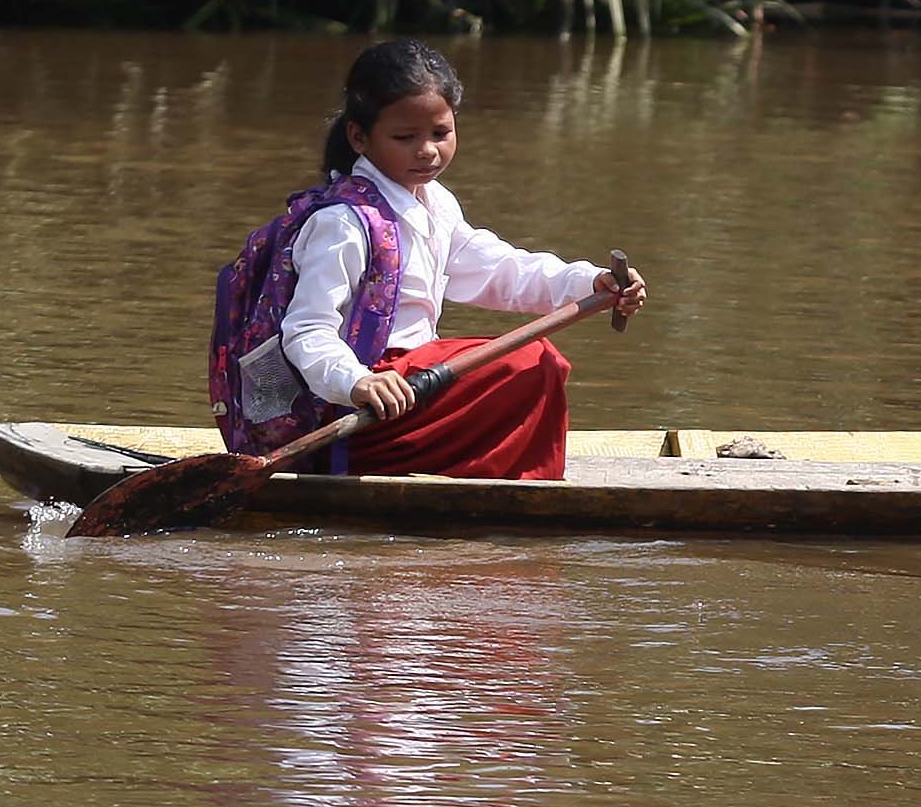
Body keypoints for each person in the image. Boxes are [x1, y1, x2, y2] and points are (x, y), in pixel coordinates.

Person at [274, 38, 645, 480]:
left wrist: (589, 283)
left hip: (411, 391)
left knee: (534, 363)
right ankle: (510, 485)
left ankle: (506, 480)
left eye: (439, 133)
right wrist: (357, 381)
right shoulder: (343, 224)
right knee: (533, 362)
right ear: (359, 137)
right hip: (361, 410)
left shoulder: (435, 203)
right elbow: (307, 331)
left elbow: (500, 270)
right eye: (404, 137)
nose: (427, 150)